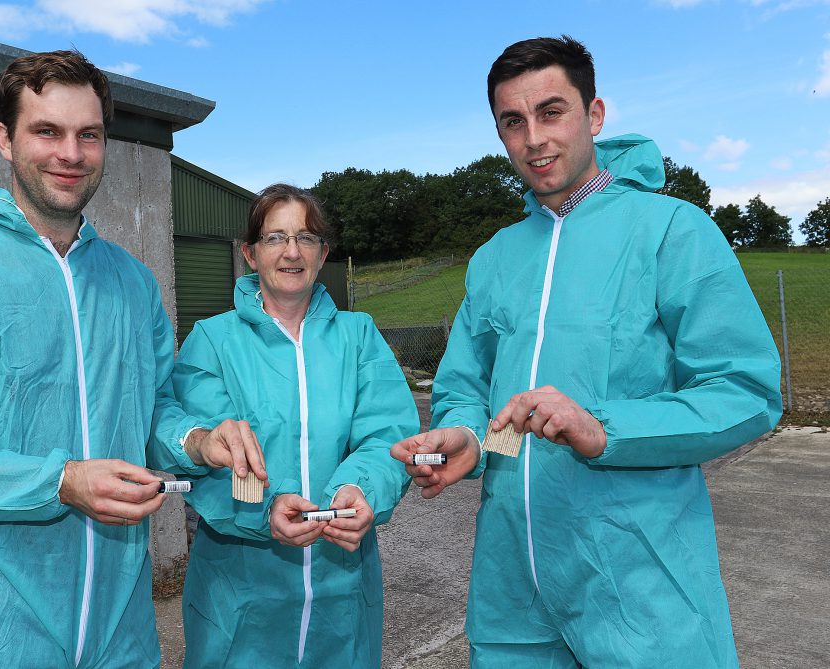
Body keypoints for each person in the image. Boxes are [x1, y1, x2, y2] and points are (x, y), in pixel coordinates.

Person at [0, 50, 262, 668]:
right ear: (5, 139)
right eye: (47, 131)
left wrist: (199, 442)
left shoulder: (133, 282)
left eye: (88, 135)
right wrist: (60, 482)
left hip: (120, 633)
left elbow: (155, 408)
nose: (70, 154)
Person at [391, 36, 782, 668]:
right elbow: (468, 386)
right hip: (511, 583)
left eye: (551, 112)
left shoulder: (672, 231)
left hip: (641, 582)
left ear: (594, 115)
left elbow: (745, 392)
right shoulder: (494, 258)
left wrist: (604, 429)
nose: (534, 139)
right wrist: (467, 438)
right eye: (513, 122)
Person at [146, 183, 418, 668]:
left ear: (323, 253)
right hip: (240, 597)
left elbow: (387, 435)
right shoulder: (213, 340)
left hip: (343, 592)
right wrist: (263, 509)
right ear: (250, 254)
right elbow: (205, 452)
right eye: (275, 238)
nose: (292, 251)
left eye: (306, 237)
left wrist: (361, 489)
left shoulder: (359, 337)